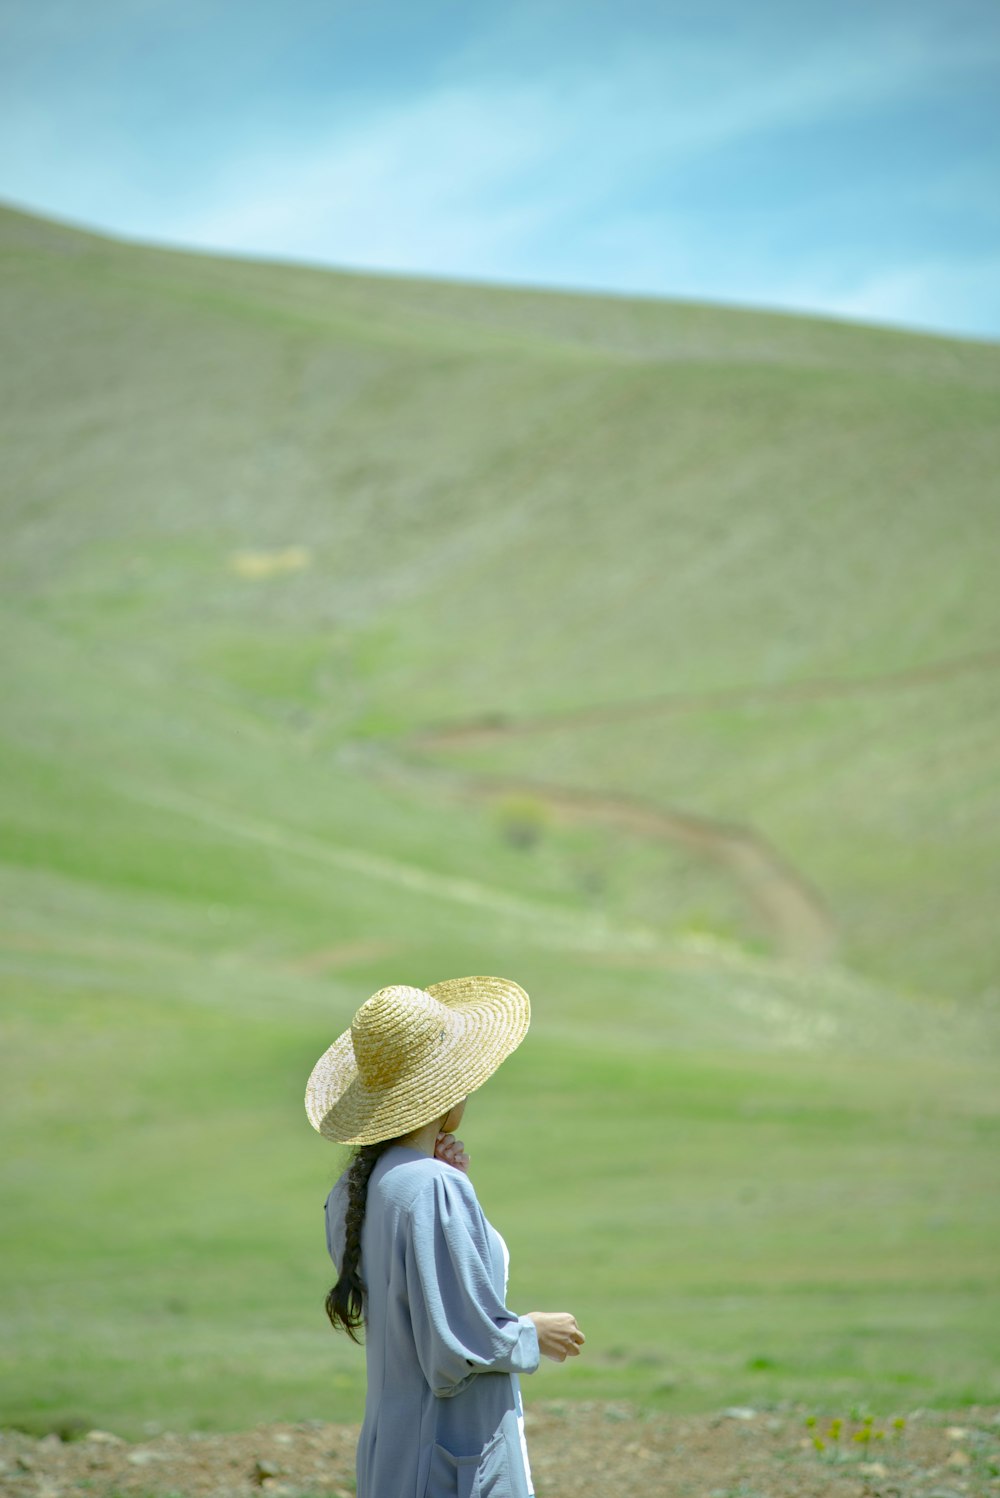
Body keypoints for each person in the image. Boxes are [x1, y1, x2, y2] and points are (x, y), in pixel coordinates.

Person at [305, 975, 586, 1498]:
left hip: (392, 1452)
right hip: (449, 1459)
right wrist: (531, 1333)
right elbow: (450, 1352)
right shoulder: (432, 1185)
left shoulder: (356, 1188)